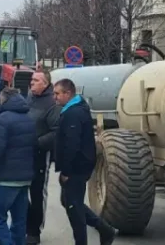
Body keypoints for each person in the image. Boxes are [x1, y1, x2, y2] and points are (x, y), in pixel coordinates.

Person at [54, 79, 116, 245]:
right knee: (69, 202)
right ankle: (104, 229)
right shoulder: (74, 109)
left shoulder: (73, 113)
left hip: (76, 167)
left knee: (74, 208)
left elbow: (72, 145)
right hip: (79, 165)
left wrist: (66, 171)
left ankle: (93, 236)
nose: (55, 98)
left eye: (57, 94)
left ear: (68, 93)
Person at [0, 87, 36, 245]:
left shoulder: (3, 119)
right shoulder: (29, 117)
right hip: (24, 178)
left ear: (3, 100)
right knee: (19, 220)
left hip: (6, 178)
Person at [25, 71, 60, 245]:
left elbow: (56, 132)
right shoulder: (29, 98)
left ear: (45, 83)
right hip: (24, 153)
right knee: (21, 190)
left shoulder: (52, 103)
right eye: (32, 80)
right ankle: (25, 225)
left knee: (37, 193)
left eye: (36, 80)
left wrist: (37, 143)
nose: (32, 83)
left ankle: (34, 231)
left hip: (40, 154)